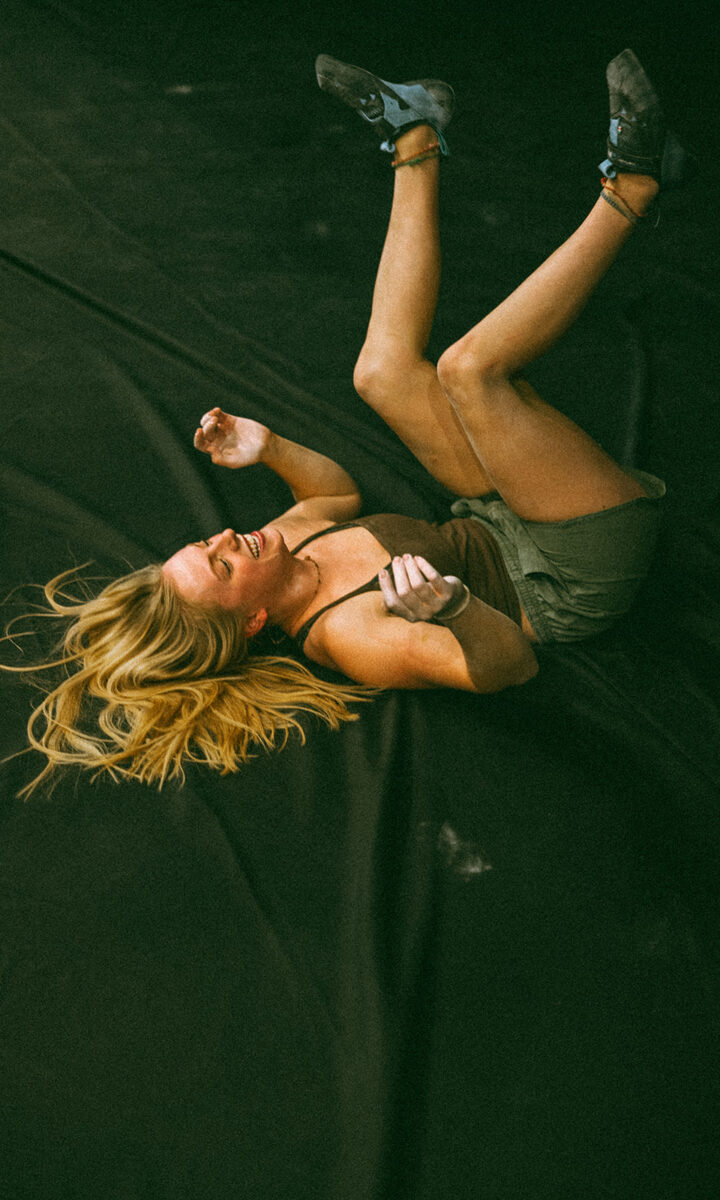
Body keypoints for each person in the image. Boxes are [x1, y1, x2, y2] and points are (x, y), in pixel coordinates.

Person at [4, 50, 687, 795]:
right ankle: (633, 187)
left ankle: (415, 134)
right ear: (256, 621)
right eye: (224, 564)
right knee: (470, 373)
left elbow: (333, 498)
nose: (228, 536)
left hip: (495, 516)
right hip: (570, 570)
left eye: (205, 542)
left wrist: (269, 449)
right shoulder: (348, 635)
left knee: (380, 373)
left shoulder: (282, 547)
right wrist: (454, 608)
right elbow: (511, 668)